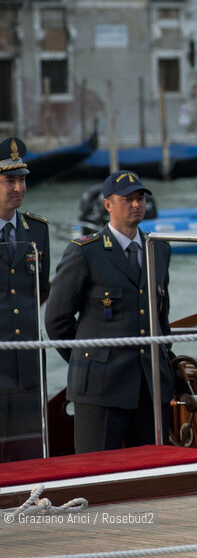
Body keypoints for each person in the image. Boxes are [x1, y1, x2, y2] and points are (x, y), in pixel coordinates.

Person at [46, 171, 173, 453]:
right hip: (101, 389)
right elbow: (57, 321)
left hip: (150, 387)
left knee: (155, 476)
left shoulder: (159, 249)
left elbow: (161, 318)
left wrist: (168, 363)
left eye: (140, 198)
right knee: (97, 476)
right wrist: (89, 362)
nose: (137, 205)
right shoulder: (84, 252)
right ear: (108, 205)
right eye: (128, 199)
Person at [0, 137, 50, 461]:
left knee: (28, 452)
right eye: (9, 181)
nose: (19, 188)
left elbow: (41, 289)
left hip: (29, 361)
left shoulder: (37, 231)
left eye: (22, 180)